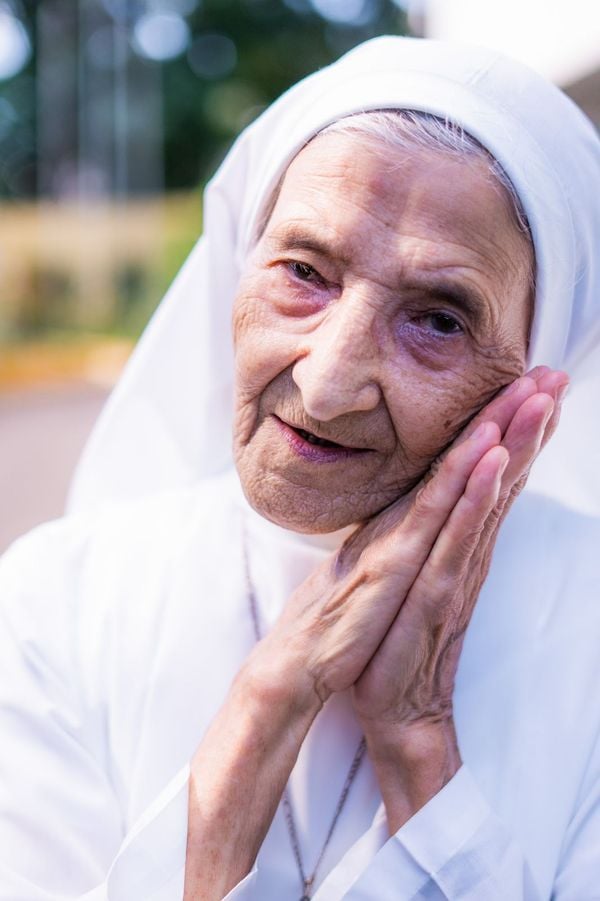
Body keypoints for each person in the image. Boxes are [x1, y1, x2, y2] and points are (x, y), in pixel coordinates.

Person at [1, 35, 600, 901]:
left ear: (539, 367)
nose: (323, 386)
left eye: (436, 319)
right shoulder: (59, 601)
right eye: (304, 271)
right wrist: (259, 718)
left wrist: (419, 745)